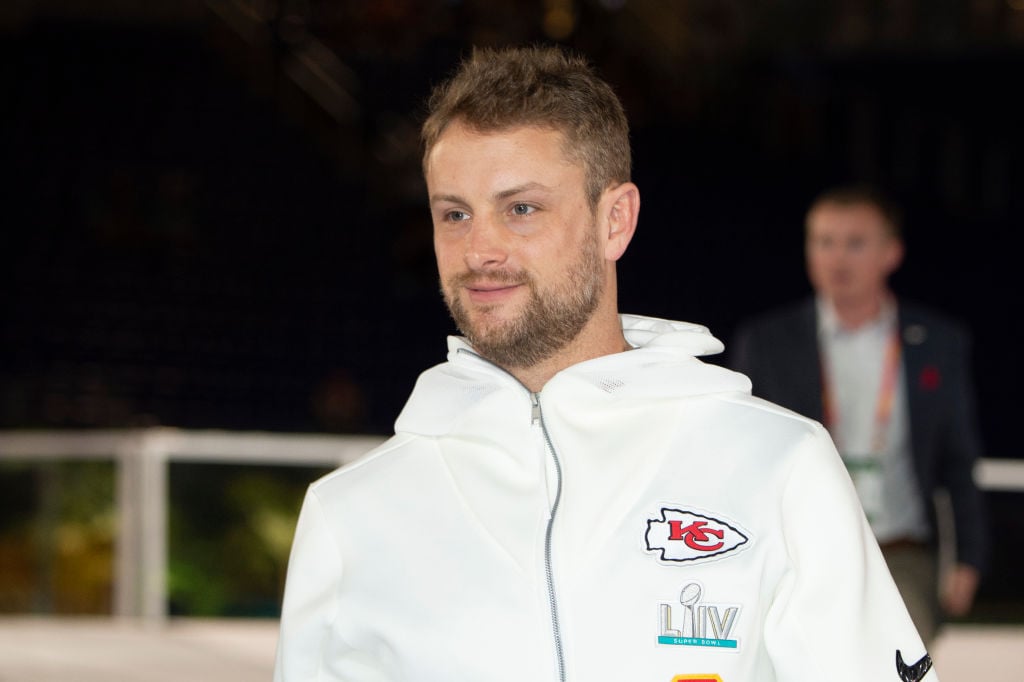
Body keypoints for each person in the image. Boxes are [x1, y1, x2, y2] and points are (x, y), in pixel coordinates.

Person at [274, 47, 934, 681]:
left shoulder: (778, 467)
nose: (479, 249)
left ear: (614, 220)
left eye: (521, 209)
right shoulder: (352, 514)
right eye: (455, 213)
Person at [729, 185, 988, 646]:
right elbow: (741, 454)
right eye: (824, 241)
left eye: (855, 243)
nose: (837, 258)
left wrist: (969, 558)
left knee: (894, 651)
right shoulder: (766, 341)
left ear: (891, 253)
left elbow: (957, 457)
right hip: (799, 549)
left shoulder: (937, 343)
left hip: (899, 552)